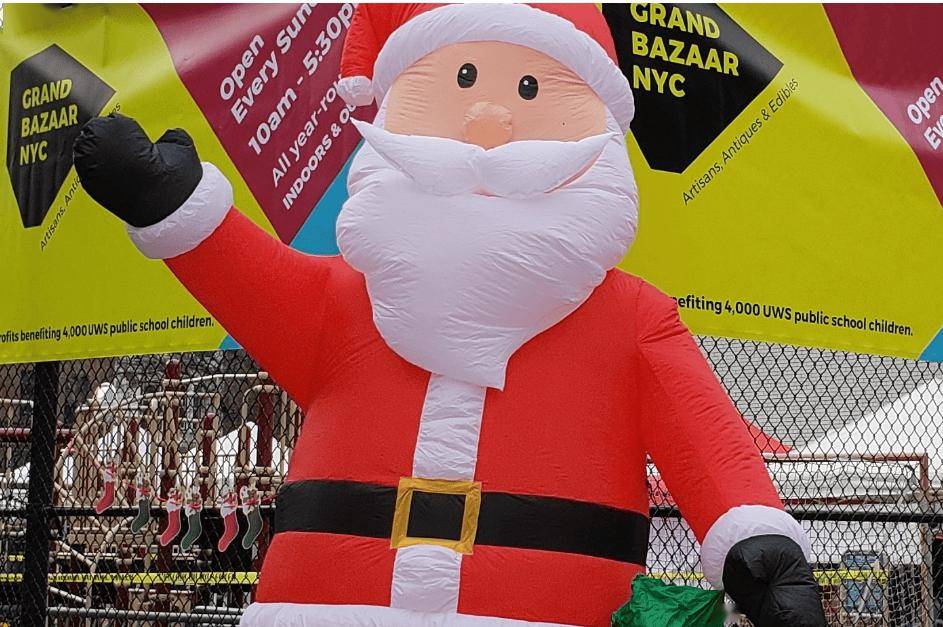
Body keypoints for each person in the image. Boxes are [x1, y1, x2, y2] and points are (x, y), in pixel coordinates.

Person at [73, 4, 825, 626]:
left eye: (530, 88)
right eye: (461, 79)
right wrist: (171, 205)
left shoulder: (629, 319)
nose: (489, 120)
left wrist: (753, 541)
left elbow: (707, 444)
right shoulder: (343, 302)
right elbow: (251, 282)